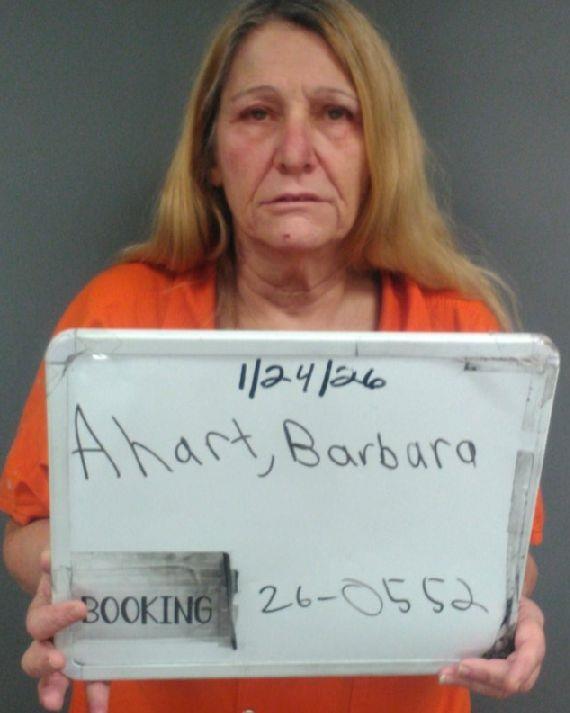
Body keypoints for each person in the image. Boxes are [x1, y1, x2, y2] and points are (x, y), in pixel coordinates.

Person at [1, 1, 545, 712]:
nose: (294, 152)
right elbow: (28, 529)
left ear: (377, 150)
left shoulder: (460, 336)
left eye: (335, 114)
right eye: (257, 113)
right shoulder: (116, 320)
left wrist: (508, 609)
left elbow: (508, 557)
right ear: (210, 155)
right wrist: (68, 588)